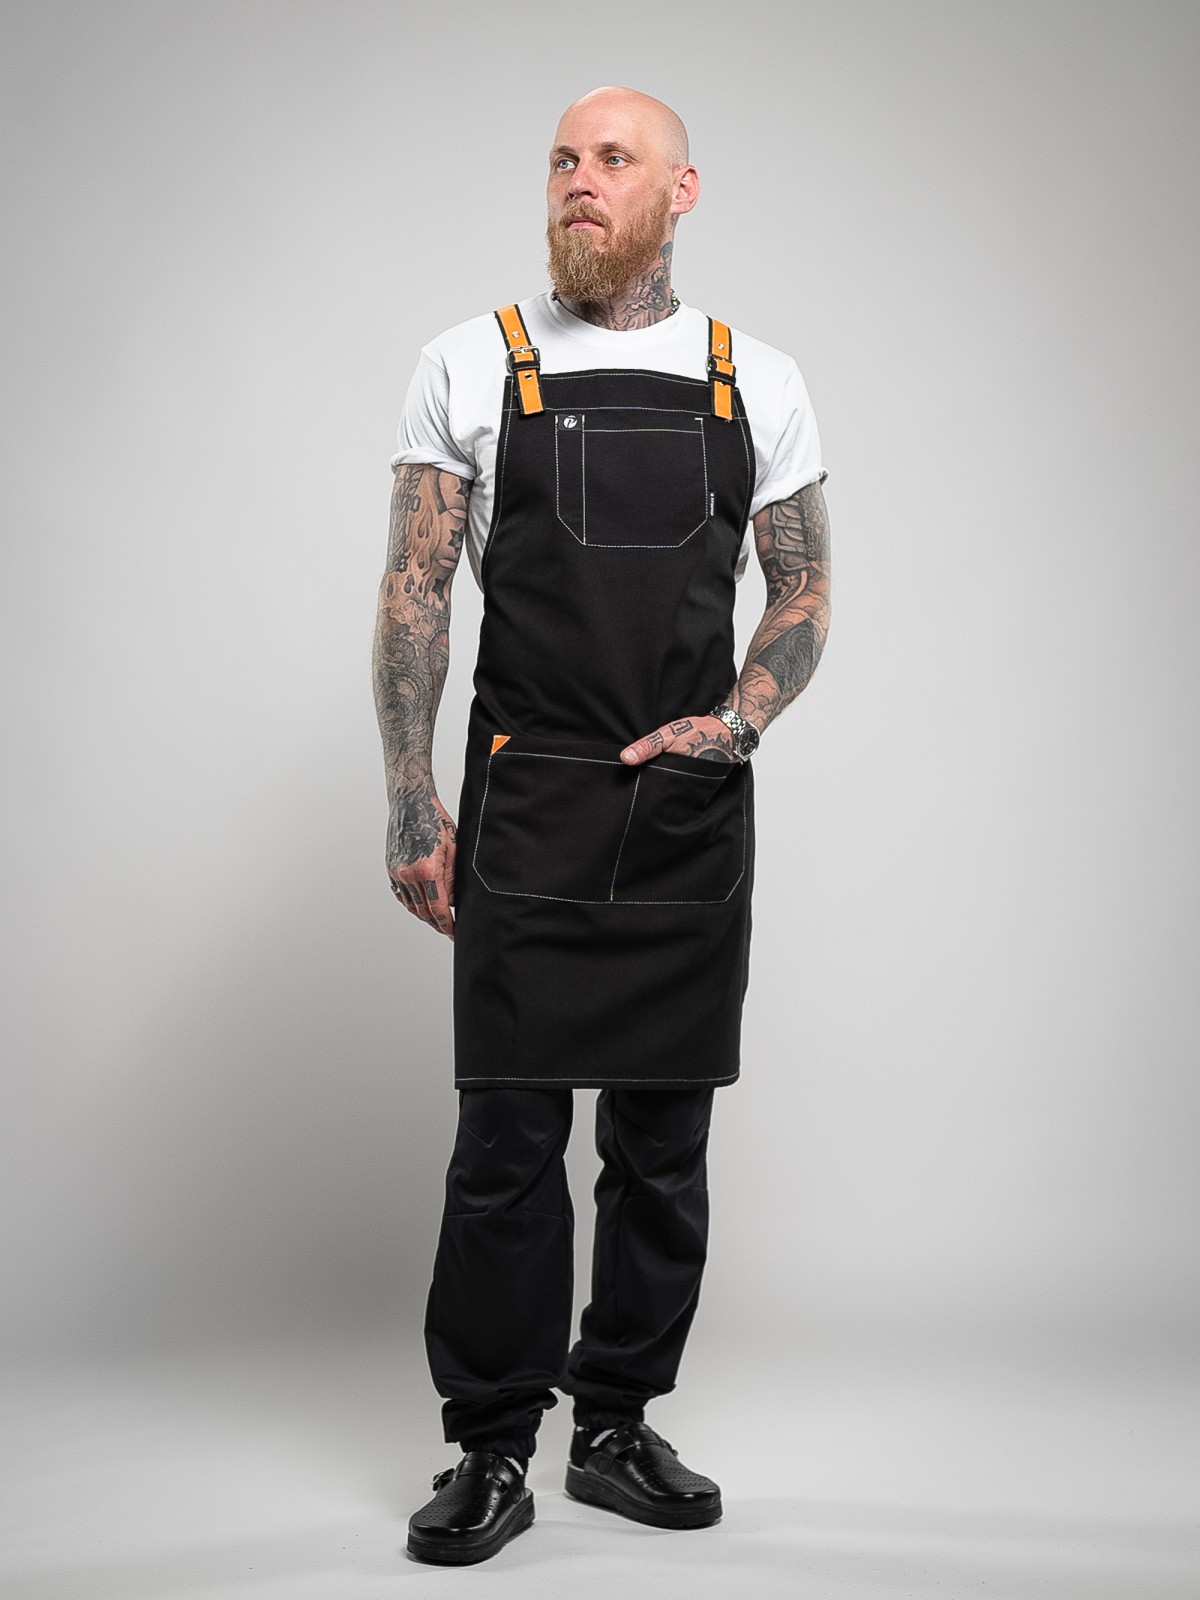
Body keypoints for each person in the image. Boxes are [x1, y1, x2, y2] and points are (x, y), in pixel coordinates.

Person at [372, 85, 830, 1566]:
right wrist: (411, 794)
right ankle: (492, 1446)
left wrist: (739, 721)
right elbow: (414, 590)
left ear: (680, 190)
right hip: (529, 802)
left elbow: (806, 589)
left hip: (685, 809)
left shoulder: (752, 379)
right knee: (506, 1143)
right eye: (564, 160)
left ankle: (617, 1426)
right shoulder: (470, 362)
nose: (581, 180)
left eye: (614, 159)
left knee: (663, 1146)